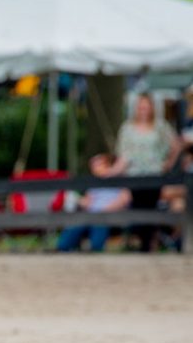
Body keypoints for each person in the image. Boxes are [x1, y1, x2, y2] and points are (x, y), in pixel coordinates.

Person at [110, 93, 181, 252]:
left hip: (154, 174)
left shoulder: (160, 126)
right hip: (134, 175)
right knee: (138, 207)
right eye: (141, 106)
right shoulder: (127, 128)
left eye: (146, 106)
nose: (143, 109)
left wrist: (167, 164)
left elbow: (176, 144)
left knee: (151, 207)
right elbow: (124, 156)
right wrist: (112, 172)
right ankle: (144, 243)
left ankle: (148, 245)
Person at [56, 153, 131, 252]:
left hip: (108, 215)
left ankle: (95, 250)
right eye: (93, 166)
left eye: (98, 165)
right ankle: (63, 248)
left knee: (98, 224)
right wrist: (77, 199)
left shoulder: (118, 180)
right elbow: (88, 202)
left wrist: (104, 210)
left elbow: (125, 199)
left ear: (108, 165)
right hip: (91, 215)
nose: (95, 168)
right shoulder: (94, 184)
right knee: (75, 224)